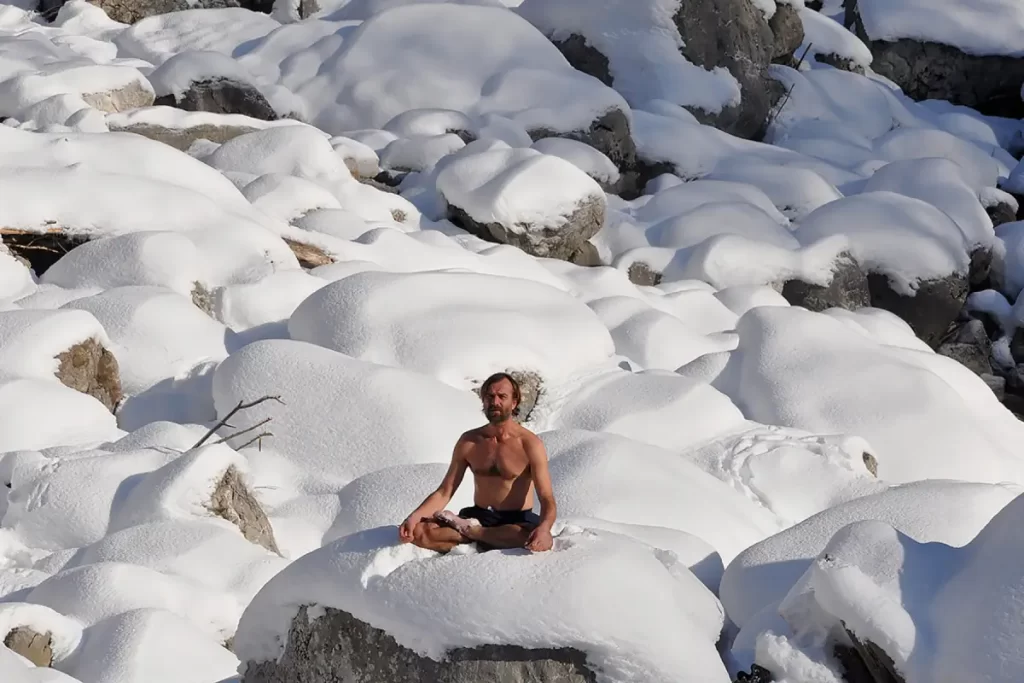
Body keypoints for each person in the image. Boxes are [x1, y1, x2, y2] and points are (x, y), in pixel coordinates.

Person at [398, 372, 556, 553]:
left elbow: (546, 497)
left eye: (502, 396)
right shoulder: (469, 441)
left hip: (516, 521)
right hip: (479, 516)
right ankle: (482, 536)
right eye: (490, 396)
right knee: (419, 532)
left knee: (530, 539)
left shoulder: (530, 444)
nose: (495, 402)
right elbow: (445, 491)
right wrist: (414, 517)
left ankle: (473, 535)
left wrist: (544, 528)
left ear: (514, 402)